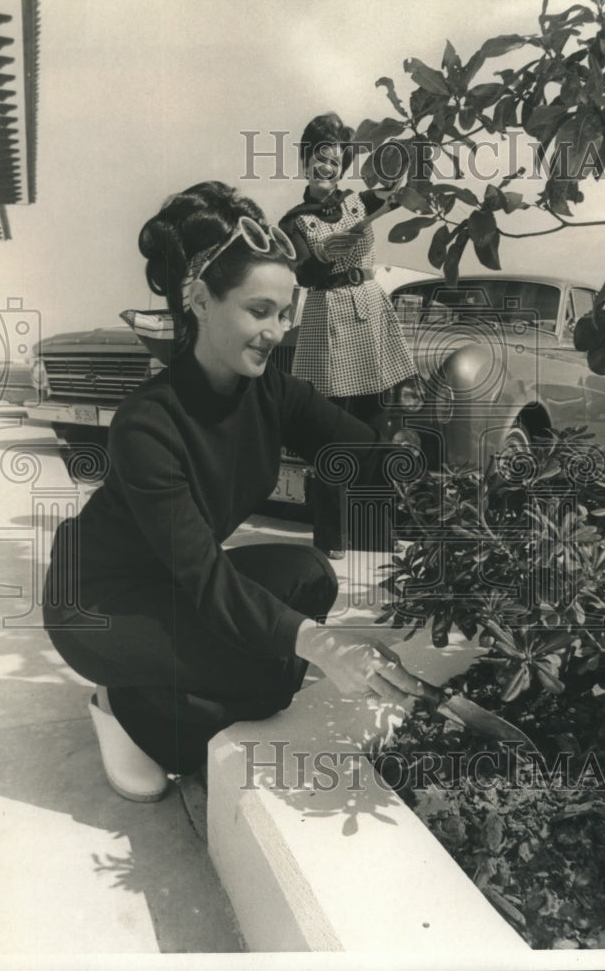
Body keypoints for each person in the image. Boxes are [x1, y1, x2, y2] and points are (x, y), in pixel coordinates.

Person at [41, 181, 424, 802]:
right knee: (269, 675)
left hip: (172, 586)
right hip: (97, 600)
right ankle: (122, 708)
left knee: (308, 579)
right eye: (257, 310)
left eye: (285, 312)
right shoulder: (148, 423)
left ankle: (169, 683)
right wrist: (322, 645)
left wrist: (474, 496)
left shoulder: (272, 389)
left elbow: (367, 458)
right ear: (200, 300)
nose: (276, 331)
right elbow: (205, 578)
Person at [279, 112, 416, 559]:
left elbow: (396, 186)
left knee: (377, 425)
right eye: (319, 159)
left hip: (370, 309)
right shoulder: (294, 221)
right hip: (326, 316)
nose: (327, 168)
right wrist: (338, 240)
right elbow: (307, 269)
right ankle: (333, 537)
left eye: (336, 161)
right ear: (305, 162)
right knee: (330, 430)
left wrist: (405, 154)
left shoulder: (360, 201)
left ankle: (376, 532)